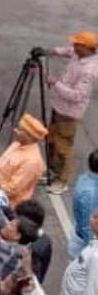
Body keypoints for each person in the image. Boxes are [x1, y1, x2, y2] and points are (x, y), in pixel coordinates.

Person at [44, 31, 98, 192]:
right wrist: (51, 51)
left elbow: (77, 96)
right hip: (58, 106)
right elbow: (67, 51)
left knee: (63, 147)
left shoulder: (89, 71)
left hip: (69, 113)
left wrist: (55, 83)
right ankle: (51, 171)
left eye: (77, 44)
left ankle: (62, 181)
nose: (73, 46)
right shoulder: (78, 54)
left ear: (86, 48)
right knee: (51, 140)